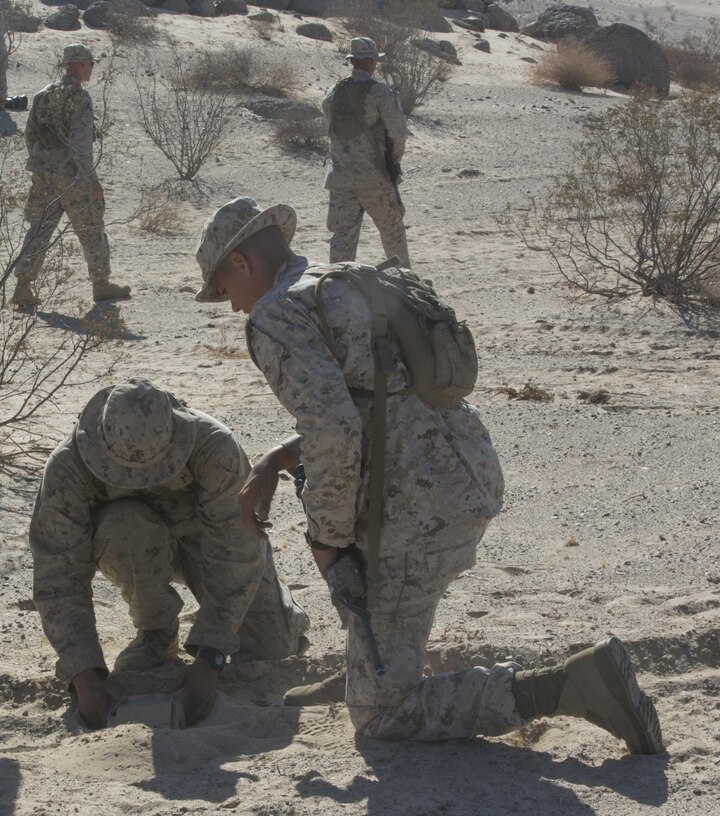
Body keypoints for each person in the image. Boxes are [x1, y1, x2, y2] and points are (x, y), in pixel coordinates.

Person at [190, 196, 663, 754]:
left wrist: (327, 541)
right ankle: (369, 665)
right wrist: (278, 459)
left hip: (411, 513)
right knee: (370, 597)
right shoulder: (337, 281)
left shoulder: (275, 314)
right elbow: (377, 404)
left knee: (381, 716)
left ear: (241, 264)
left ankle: (573, 686)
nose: (232, 308)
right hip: (465, 479)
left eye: (224, 291)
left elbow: (336, 432)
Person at [29, 378, 310, 728]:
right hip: (135, 544)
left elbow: (236, 552)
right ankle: (156, 633)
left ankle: (286, 612)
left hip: (205, 544)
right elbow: (58, 576)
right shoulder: (68, 466)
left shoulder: (214, 446)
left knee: (269, 647)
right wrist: (82, 675)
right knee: (124, 523)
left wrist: (210, 658)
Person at [10, 44, 130, 308]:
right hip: (72, 175)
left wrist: (41, 163)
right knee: (91, 226)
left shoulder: (43, 94)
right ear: (80, 65)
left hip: (45, 173)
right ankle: (101, 284)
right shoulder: (79, 98)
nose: (90, 69)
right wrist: (92, 181)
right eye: (89, 63)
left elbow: (29, 134)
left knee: (40, 228)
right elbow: (80, 147)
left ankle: (23, 286)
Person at [323, 37, 410, 267]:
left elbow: (328, 119)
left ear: (352, 61)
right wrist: (394, 161)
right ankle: (406, 287)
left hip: (341, 179)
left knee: (342, 241)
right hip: (374, 180)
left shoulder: (333, 92)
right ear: (372, 62)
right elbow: (399, 133)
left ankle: (336, 288)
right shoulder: (380, 92)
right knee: (393, 235)